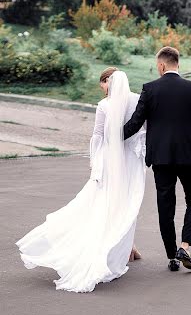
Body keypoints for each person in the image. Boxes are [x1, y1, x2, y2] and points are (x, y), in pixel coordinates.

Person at [16, 69, 146, 292]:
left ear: (108, 81)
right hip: (132, 161)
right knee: (127, 204)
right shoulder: (137, 101)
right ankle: (123, 249)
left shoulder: (104, 105)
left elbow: (98, 136)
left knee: (104, 204)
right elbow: (143, 130)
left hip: (109, 163)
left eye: (103, 84)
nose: (103, 89)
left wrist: (96, 162)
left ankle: (122, 249)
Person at [124, 46, 191, 272]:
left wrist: (111, 138)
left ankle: (171, 257)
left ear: (162, 65)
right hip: (189, 155)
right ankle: (184, 246)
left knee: (166, 206)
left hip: (161, 157)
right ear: (178, 64)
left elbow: (135, 123)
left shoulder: (150, 89)